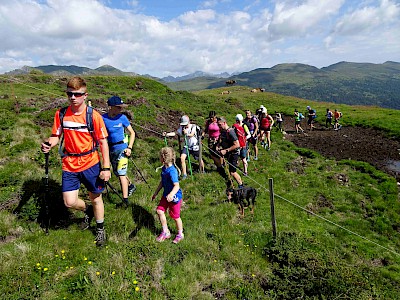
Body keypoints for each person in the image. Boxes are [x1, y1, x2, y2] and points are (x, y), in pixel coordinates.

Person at [40, 76, 111, 247]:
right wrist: (49, 144)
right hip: (69, 163)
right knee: (69, 202)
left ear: (85, 95)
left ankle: (100, 229)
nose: (73, 97)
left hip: (90, 162)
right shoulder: (61, 114)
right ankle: (87, 210)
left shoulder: (93, 116)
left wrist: (106, 167)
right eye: (70, 94)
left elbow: (102, 142)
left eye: (77, 94)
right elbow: (56, 135)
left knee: (96, 197)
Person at [102, 96, 136, 207]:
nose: (120, 109)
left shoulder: (123, 118)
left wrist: (129, 148)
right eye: (118, 107)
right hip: (110, 149)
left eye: (121, 107)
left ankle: (125, 200)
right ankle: (130, 185)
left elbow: (132, 133)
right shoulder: (103, 119)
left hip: (123, 149)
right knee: (117, 172)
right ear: (111, 107)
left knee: (121, 173)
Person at [151, 147, 184, 244]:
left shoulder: (172, 171)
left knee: (175, 217)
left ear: (163, 158)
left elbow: (177, 186)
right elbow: (162, 182)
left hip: (174, 197)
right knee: (159, 211)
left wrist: (171, 194)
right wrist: (156, 192)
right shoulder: (164, 169)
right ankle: (166, 231)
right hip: (166, 195)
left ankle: (180, 234)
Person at [164, 115, 204, 179]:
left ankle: (202, 170)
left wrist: (186, 134)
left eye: (185, 124)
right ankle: (185, 174)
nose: (184, 126)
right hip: (187, 146)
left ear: (188, 122)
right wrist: (167, 134)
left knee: (199, 159)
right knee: (182, 158)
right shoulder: (182, 127)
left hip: (195, 146)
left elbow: (192, 134)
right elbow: (175, 133)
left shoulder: (193, 126)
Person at [217, 117, 244, 188]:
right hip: (228, 153)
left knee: (232, 172)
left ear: (224, 123)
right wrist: (218, 145)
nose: (219, 126)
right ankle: (230, 182)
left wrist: (226, 150)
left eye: (220, 124)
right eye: (218, 125)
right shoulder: (223, 131)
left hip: (234, 153)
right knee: (230, 170)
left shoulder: (231, 132)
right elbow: (221, 139)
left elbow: (237, 144)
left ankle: (241, 185)